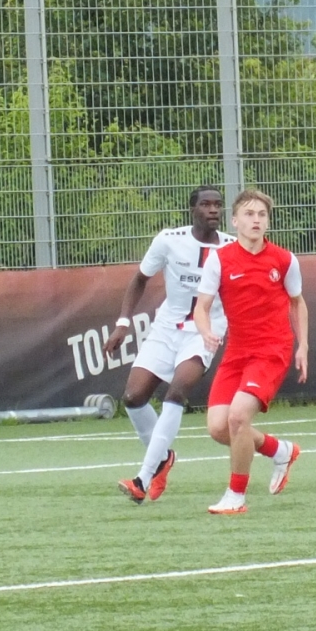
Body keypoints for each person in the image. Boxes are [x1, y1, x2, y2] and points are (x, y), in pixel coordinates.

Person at [108, 187, 227, 503]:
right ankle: (163, 459)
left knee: (175, 393)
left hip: (204, 332)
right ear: (192, 209)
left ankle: (142, 479)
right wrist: (122, 324)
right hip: (166, 328)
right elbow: (140, 279)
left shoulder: (232, 247)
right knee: (133, 398)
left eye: (218, 205)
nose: (213, 210)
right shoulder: (169, 240)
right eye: (206, 204)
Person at [191, 190, 306, 515]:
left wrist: (303, 346)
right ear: (235, 221)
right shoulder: (220, 259)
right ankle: (279, 450)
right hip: (236, 352)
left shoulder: (284, 260)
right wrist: (206, 331)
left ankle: (236, 495)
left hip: (272, 350)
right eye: (249, 214)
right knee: (218, 428)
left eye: (262, 215)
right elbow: (201, 307)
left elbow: (297, 303)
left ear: (267, 222)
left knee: (238, 417)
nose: (256, 220)